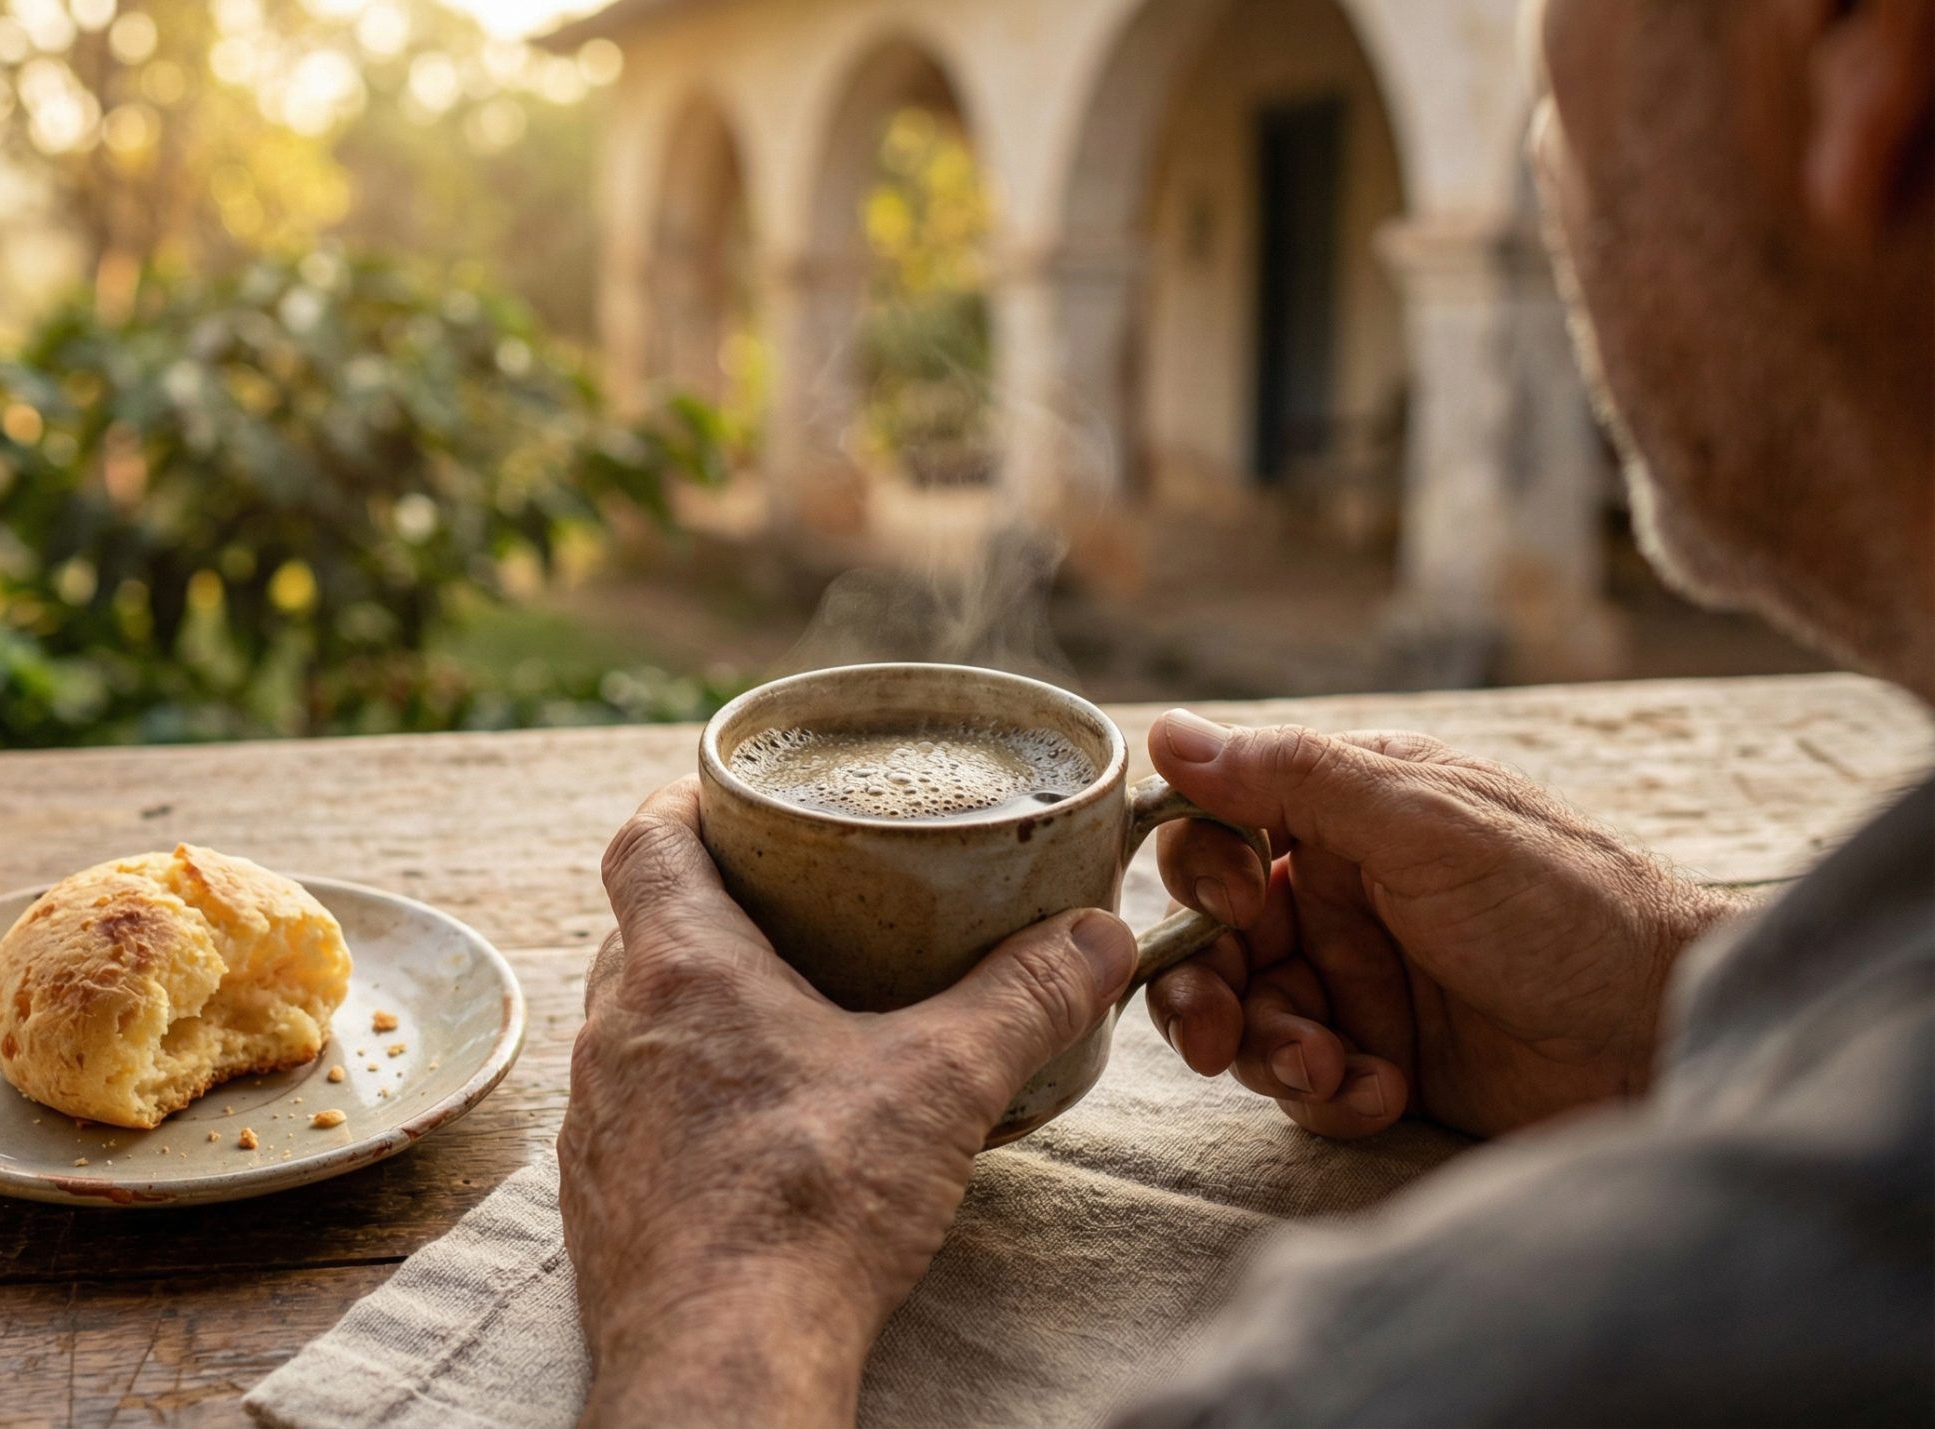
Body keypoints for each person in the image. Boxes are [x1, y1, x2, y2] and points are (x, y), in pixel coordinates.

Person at [555, 0, 1935, 1422]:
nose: (1540, 97)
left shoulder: (1543, 1346)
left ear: (1861, 53)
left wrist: (726, 1276)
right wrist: (1667, 996)